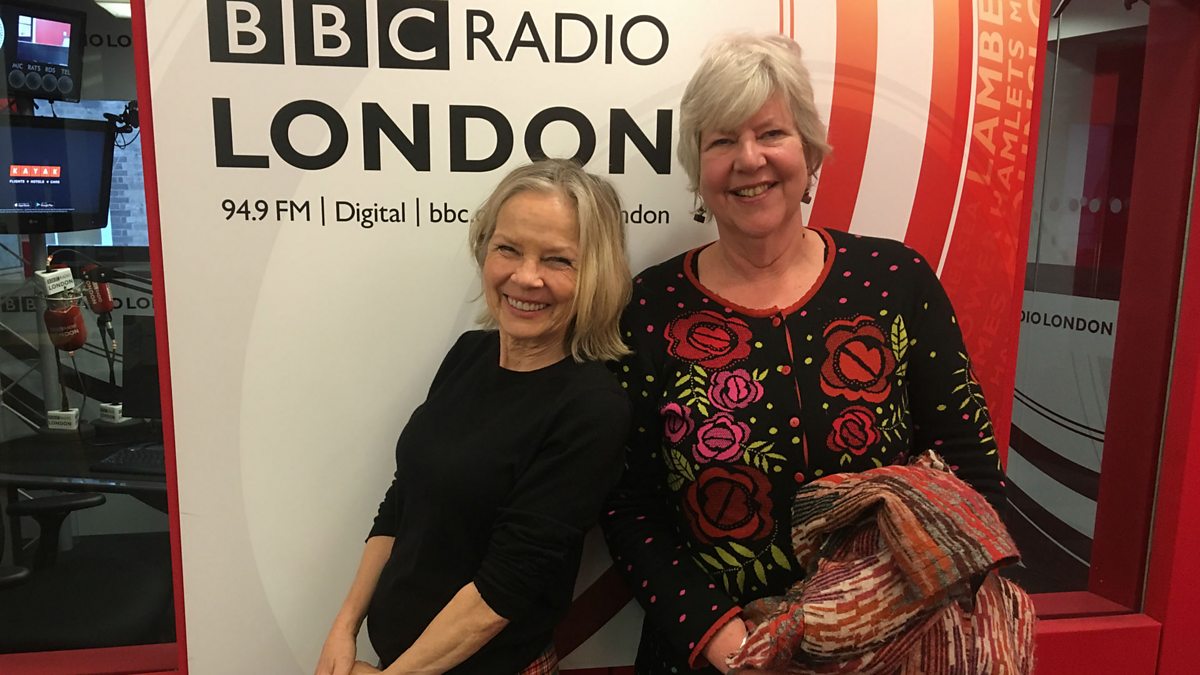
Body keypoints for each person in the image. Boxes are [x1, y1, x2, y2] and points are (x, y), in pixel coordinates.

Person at [601, 33, 1007, 674]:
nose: (749, 159)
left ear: (811, 152)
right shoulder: (649, 308)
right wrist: (730, 644)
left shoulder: (893, 279)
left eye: (771, 133)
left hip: (895, 645)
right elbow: (629, 503)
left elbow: (970, 467)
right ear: (696, 167)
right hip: (717, 657)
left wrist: (869, 620)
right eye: (721, 141)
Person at [316, 159, 633, 675]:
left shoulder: (592, 409)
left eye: (558, 260)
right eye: (508, 248)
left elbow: (503, 590)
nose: (525, 277)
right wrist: (344, 627)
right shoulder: (469, 354)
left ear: (596, 272)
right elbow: (403, 500)